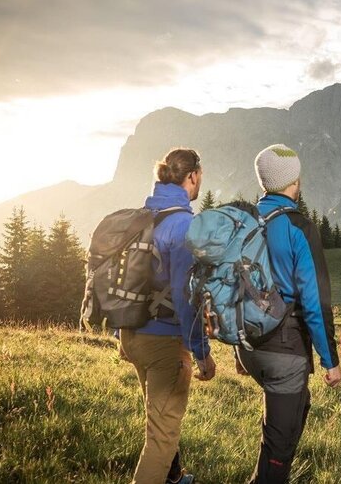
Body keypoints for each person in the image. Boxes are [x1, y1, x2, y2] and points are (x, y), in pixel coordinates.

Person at [235, 143, 341, 483]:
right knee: (280, 445)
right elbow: (315, 302)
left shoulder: (245, 223)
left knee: (295, 409)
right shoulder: (299, 227)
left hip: (248, 345)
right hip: (284, 348)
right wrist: (330, 360)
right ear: (294, 181)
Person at [119, 148, 216, 484]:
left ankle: (174, 479)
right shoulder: (184, 225)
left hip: (132, 335)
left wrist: (121, 334)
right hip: (164, 342)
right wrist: (202, 353)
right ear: (192, 176)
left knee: (158, 418)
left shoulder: (142, 217)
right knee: (161, 437)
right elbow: (187, 297)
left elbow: (127, 279)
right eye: (199, 176)